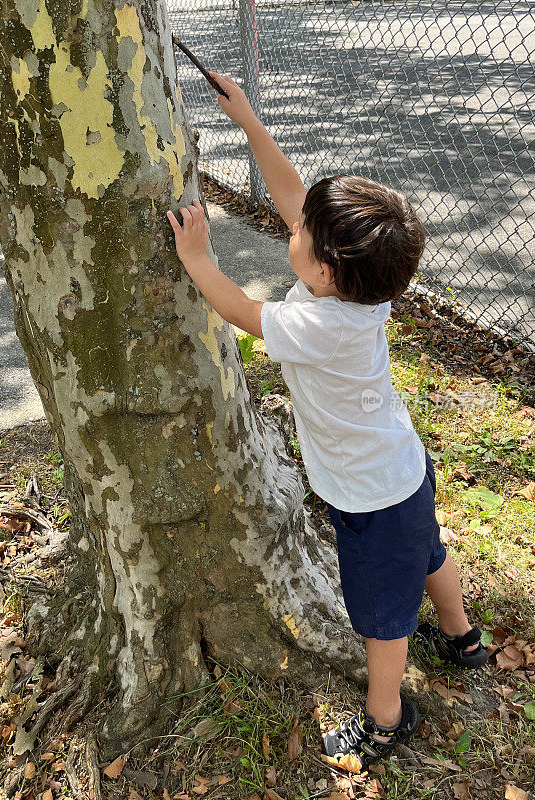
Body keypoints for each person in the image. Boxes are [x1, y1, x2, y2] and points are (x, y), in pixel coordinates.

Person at [166, 71, 487, 768]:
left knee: (383, 617)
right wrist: (249, 121)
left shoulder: (315, 322)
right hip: (402, 471)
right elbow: (293, 197)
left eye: (306, 232)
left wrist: (197, 257)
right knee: (427, 551)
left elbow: (241, 313)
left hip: (369, 496)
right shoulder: (358, 290)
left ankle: (385, 717)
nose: (295, 223)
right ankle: (464, 638)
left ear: (326, 274)